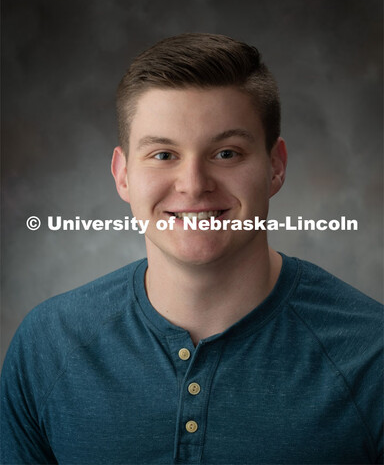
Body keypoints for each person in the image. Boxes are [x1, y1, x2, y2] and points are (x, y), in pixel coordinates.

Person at [1, 33, 382, 465]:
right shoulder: (48, 346)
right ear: (123, 175)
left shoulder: (372, 353)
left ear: (275, 167)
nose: (194, 184)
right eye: (163, 155)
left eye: (226, 153)